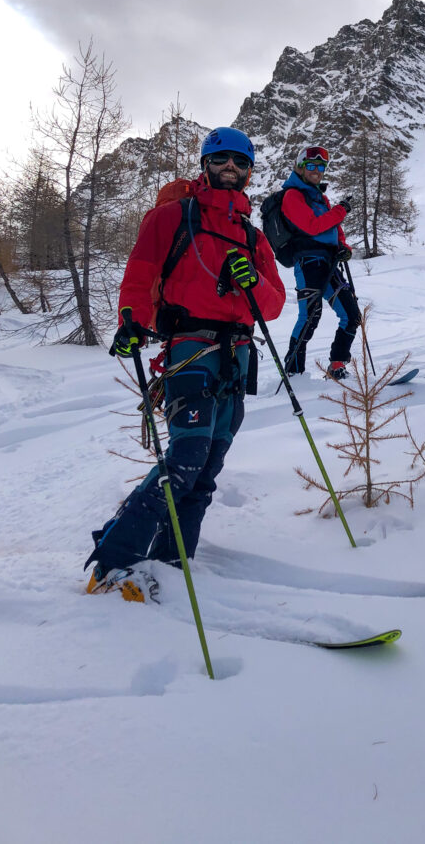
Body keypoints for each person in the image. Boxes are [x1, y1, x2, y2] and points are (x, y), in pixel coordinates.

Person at [85, 127, 285, 601]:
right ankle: (113, 561)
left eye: (240, 161)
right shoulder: (173, 216)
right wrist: (130, 320)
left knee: (210, 462)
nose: (230, 167)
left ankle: (175, 561)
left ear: (249, 170)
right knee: (186, 456)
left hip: (237, 353)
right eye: (222, 159)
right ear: (206, 164)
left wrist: (252, 280)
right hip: (190, 347)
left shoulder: (252, 236)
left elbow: (273, 304)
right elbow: (140, 271)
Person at [281, 144, 360, 381]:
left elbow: (334, 228)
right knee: (310, 317)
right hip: (308, 263)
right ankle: (294, 371)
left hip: (329, 262)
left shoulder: (320, 198)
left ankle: (337, 365)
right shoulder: (292, 195)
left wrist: (343, 247)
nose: (317, 171)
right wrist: (341, 210)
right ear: (301, 167)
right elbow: (313, 226)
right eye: (312, 166)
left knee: (352, 314)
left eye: (321, 167)